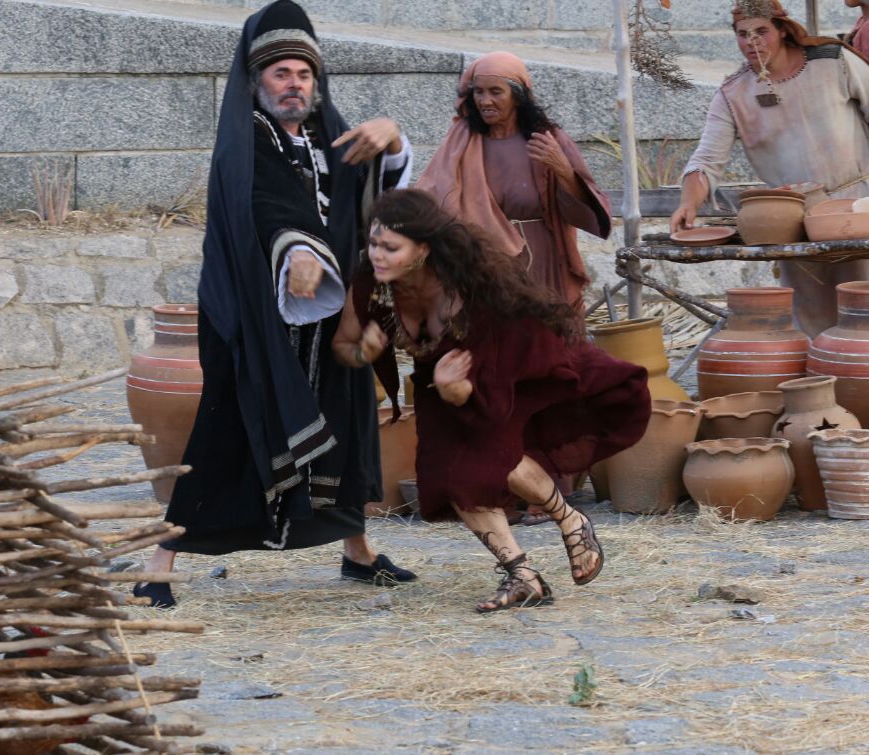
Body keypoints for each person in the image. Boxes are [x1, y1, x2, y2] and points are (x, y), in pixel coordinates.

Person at [134, 0, 415, 607]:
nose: (294, 84)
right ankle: (160, 563)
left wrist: (392, 139)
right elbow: (264, 206)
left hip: (329, 319)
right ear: (257, 79)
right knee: (227, 430)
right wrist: (298, 251)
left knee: (345, 425)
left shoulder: (328, 136)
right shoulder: (246, 142)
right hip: (253, 313)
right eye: (281, 72)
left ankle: (358, 552)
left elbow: (376, 197)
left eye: (304, 74)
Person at [333, 189, 651, 612]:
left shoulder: (470, 292)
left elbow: (492, 395)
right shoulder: (371, 285)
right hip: (440, 380)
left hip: (510, 364)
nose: (377, 254)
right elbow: (343, 345)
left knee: (491, 456)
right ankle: (524, 576)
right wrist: (364, 353)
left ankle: (570, 522)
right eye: (373, 243)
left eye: (390, 247)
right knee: (449, 474)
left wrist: (459, 391)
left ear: (422, 250)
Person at [672, 0, 869, 335]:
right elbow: (706, 159)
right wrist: (688, 202)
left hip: (857, 209)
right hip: (793, 222)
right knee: (812, 321)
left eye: (761, 31)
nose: (752, 42)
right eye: (743, 34)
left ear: (782, 30)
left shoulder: (832, 61)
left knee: (862, 310)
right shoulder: (734, 93)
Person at [417, 51, 611, 315]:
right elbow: (431, 193)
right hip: (485, 263)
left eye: (496, 92)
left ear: (517, 96)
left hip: (542, 260)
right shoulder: (460, 142)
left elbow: (585, 209)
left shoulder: (546, 139)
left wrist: (563, 170)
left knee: (547, 333)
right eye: (479, 92)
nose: (485, 100)